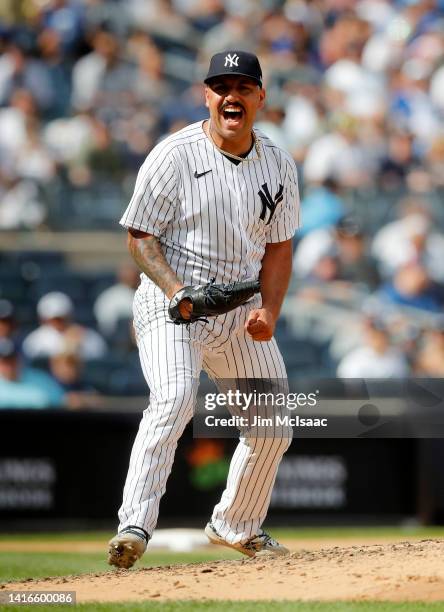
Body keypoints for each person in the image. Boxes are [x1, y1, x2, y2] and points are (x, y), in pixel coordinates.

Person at [108, 50, 300, 569]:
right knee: (172, 400)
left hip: (238, 310)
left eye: (243, 85)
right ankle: (134, 524)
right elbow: (140, 237)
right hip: (173, 306)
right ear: (206, 95)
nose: (231, 95)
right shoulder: (174, 155)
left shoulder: (279, 163)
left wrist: (271, 311)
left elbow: (280, 246)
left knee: (274, 424)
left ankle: (236, 524)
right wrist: (176, 291)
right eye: (221, 86)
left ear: (260, 96)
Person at [22, 291, 107, 360]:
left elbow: (100, 356)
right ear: (43, 319)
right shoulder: (35, 340)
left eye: (61, 319)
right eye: (54, 319)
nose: (57, 323)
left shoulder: (87, 335)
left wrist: (80, 348)